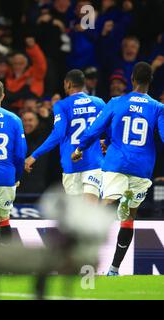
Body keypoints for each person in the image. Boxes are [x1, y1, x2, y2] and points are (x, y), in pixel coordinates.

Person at [71, 62, 164, 276]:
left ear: (131, 79)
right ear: (150, 81)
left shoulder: (116, 102)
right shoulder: (158, 107)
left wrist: (79, 148)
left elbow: (94, 129)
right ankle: (113, 269)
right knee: (129, 216)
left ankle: (83, 255)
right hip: (142, 168)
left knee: (107, 205)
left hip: (117, 163)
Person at [25, 69, 106, 202]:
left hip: (71, 164)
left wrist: (34, 155)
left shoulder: (62, 106)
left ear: (67, 84)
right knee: (90, 209)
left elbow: (58, 134)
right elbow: (110, 126)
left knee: (76, 213)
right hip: (94, 162)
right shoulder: (99, 103)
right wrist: (106, 141)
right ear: (83, 84)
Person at [0, 79, 26, 242]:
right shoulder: (14, 119)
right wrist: (16, 177)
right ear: (2, 96)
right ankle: (3, 264)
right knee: (3, 220)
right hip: (6, 176)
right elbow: (20, 154)